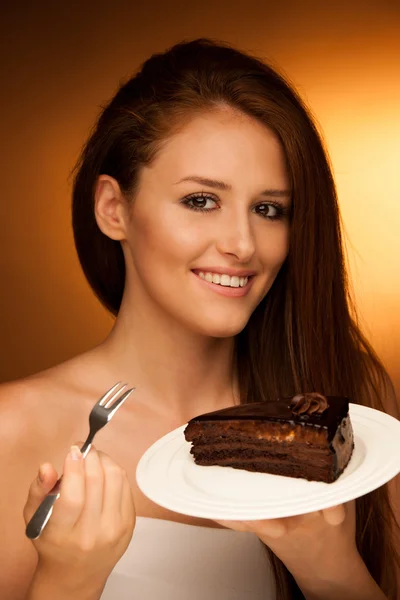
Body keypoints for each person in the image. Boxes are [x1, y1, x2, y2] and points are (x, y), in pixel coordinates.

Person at [0, 38, 398, 600]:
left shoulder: (356, 402)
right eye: (201, 201)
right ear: (114, 209)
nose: (242, 245)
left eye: (268, 210)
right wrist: (68, 579)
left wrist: (332, 574)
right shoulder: (11, 431)